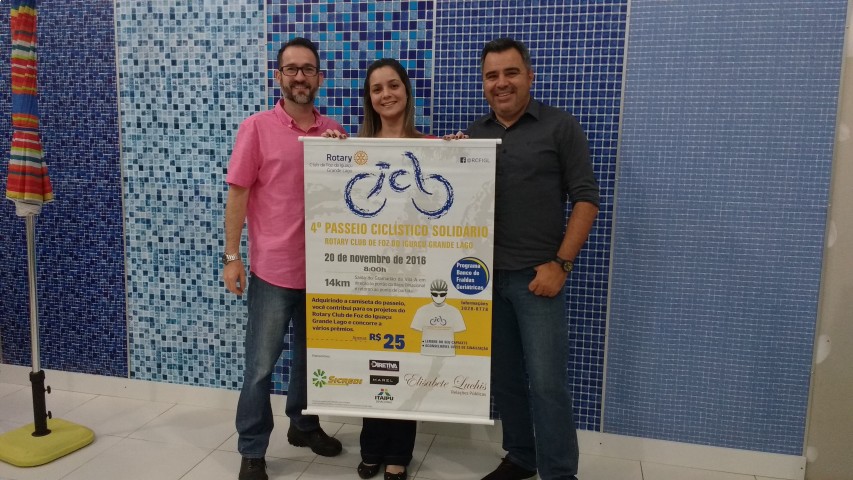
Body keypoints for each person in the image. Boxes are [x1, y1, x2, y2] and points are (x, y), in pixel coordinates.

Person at [464, 38, 600, 480]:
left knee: (547, 384)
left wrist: (561, 265)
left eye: (511, 73)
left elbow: (586, 199)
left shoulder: (560, 127)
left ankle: (559, 472)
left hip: (538, 280)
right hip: (485, 280)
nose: (501, 83)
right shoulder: (475, 134)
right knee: (505, 379)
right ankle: (522, 457)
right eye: (492, 76)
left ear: (529, 76)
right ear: (484, 83)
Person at [223, 37, 344, 480]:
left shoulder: (334, 131)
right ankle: (252, 448)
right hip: (273, 271)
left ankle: (304, 426)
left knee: (313, 361)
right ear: (278, 77)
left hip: (325, 273)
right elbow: (238, 194)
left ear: (320, 78)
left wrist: (343, 156)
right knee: (260, 368)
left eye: (307, 69)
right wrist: (232, 256)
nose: (299, 77)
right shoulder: (256, 128)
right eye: (291, 69)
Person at [324, 57, 432, 480]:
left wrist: (461, 153)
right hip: (367, 278)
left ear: (406, 90)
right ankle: (371, 447)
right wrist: (329, 152)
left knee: (407, 365)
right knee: (372, 362)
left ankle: (399, 454)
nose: (386, 94)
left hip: (413, 277)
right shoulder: (354, 150)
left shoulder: (430, 147)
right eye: (376, 88)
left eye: (393, 85)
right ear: (369, 99)